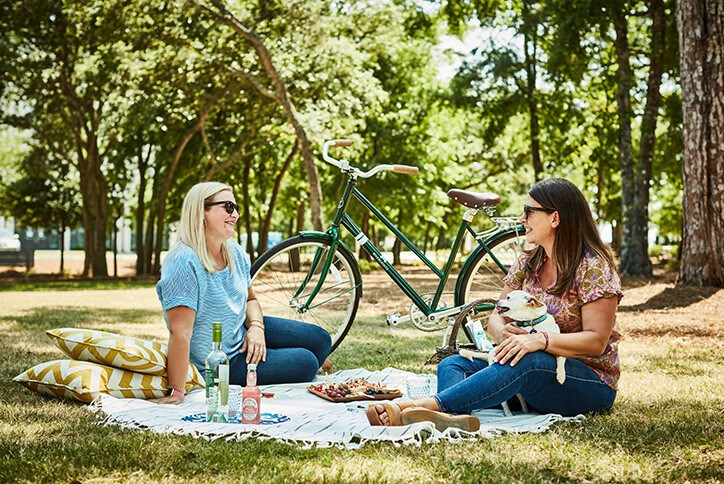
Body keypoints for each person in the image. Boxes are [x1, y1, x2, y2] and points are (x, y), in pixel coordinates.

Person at [367, 178, 623, 430]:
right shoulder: (529, 262)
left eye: (529, 212)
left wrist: (539, 340)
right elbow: (496, 316)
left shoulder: (594, 266)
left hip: (588, 381)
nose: (523, 219)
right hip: (533, 372)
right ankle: (453, 417)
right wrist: (503, 332)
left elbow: (596, 342)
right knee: (453, 362)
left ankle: (422, 406)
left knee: (526, 360)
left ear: (554, 218)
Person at [153, 182, 332, 404]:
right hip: (224, 362)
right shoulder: (183, 262)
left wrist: (256, 328)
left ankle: (276, 351)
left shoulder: (234, 251)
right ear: (201, 212)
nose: (235, 215)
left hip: (244, 329)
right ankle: (292, 357)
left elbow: (251, 299)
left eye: (236, 208)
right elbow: (180, 334)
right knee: (307, 363)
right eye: (228, 207)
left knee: (322, 340)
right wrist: (177, 392)